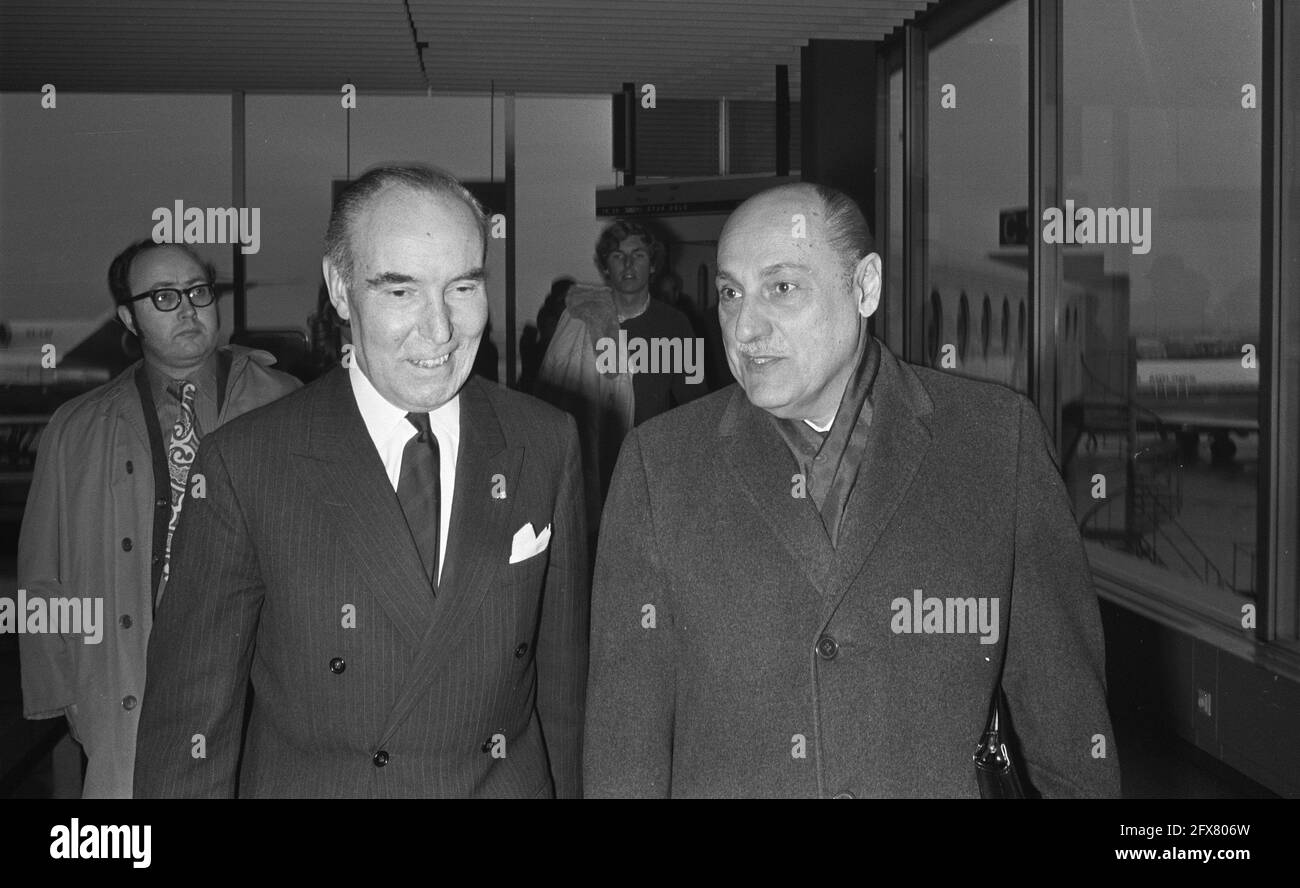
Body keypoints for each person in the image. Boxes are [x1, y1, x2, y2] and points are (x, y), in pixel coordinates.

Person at [583, 183, 1120, 798]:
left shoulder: (997, 443)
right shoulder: (660, 466)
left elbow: (1067, 725)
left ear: (865, 287)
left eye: (782, 288)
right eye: (731, 293)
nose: (745, 326)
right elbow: (624, 742)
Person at [133, 165, 588, 798]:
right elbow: (191, 724)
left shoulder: (546, 440)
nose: (440, 330)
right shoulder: (246, 464)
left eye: (462, 287)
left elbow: (564, 691)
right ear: (341, 291)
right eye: (400, 290)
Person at [17, 239, 299, 798]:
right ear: (129, 317)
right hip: (126, 695)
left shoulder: (289, 405)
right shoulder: (77, 429)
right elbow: (42, 579)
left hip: (262, 697)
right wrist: (73, 702)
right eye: (164, 297)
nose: (188, 309)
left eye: (198, 292)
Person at [536, 221, 707, 527]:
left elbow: (695, 405)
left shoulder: (675, 325)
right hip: (589, 467)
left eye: (638, 255)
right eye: (618, 256)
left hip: (650, 469)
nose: (628, 264)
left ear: (652, 265)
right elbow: (551, 397)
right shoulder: (579, 319)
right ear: (605, 266)